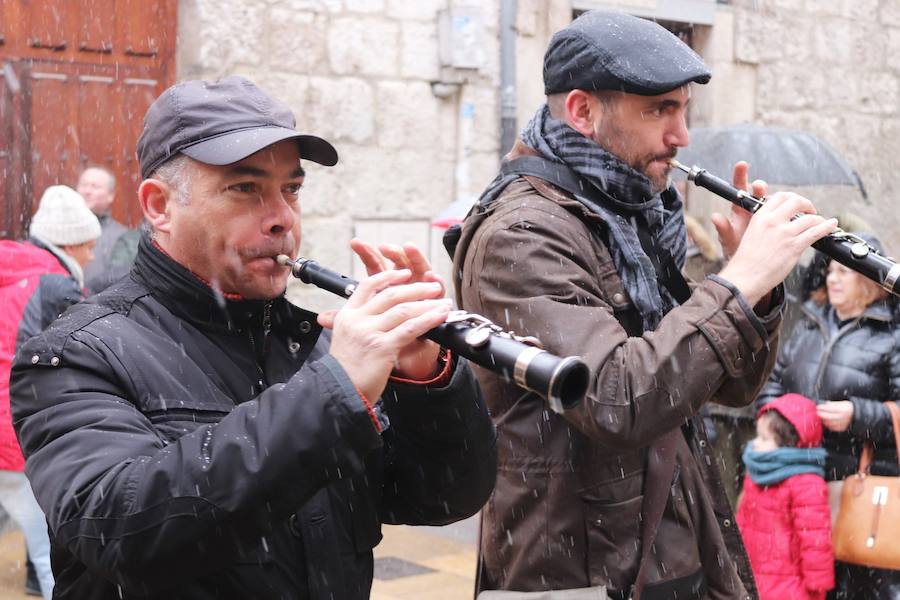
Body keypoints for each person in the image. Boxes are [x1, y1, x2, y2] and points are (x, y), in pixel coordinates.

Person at [10, 76, 496, 599]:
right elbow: (125, 530)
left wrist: (427, 379)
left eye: (291, 189)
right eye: (245, 189)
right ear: (159, 206)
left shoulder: (317, 346)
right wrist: (334, 392)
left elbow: (443, 498)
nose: (282, 218)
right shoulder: (72, 354)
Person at [449, 10, 836, 599]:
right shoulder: (521, 234)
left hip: (669, 554)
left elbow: (730, 389)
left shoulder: (630, 216)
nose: (681, 136)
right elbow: (615, 401)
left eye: (684, 110)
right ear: (581, 111)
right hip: (576, 574)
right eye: (660, 110)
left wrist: (753, 289)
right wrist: (737, 283)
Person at [757, 233, 900, 600]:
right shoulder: (808, 324)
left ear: (869, 281)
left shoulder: (893, 338)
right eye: (830, 271)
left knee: (858, 584)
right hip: (799, 481)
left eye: (844, 272)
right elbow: (774, 384)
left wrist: (858, 415)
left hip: (859, 483)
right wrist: (773, 422)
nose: (832, 279)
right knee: (802, 582)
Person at [1, 184, 102, 599]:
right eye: (89, 247)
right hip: (15, 433)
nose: (92, 256)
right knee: (51, 552)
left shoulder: (13, 271)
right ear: (71, 242)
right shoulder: (56, 288)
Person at [737, 393, 834, 600]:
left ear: (788, 444)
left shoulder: (806, 482)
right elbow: (743, 521)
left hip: (790, 584)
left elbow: (815, 539)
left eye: (764, 439)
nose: (755, 444)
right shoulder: (756, 474)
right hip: (754, 575)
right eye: (758, 436)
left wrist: (817, 586)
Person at [76, 165, 132, 294]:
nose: (87, 191)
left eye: (95, 186)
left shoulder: (122, 237)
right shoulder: (58, 229)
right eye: (84, 185)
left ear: (110, 195)